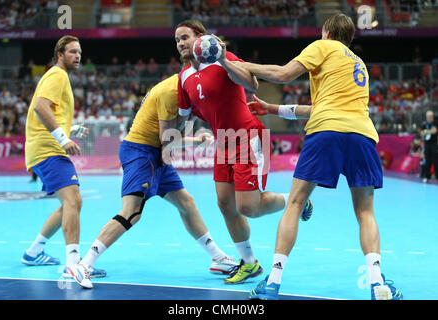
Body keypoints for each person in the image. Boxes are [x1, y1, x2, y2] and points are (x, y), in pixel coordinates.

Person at [238, 13, 403, 300]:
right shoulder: (358, 63)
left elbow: (282, 74)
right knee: (365, 212)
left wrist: (238, 64)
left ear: (326, 32)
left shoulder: (322, 47)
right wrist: (273, 109)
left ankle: (273, 282)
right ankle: (377, 283)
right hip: (362, 134)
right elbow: (319, 105)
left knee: (296, 202)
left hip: (326, 131)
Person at [174, 19, 313, 285]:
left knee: (248, 207)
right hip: (222, 141)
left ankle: (296, 200)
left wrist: (224, 60)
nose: (181, 43)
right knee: (225, 204)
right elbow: (181, 117)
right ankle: (249, 263)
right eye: (177, 40)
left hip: (247, 136)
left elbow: (253, 85)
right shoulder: (184, 78)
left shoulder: (223, 60)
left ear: (201, 38)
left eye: (185, 37)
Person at [69, 72, 238, 289]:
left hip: (155, 153)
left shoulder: (184, 88)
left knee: (186, 203)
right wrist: (196, 142)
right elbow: (166, 140)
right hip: (141, 153)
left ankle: (217, 258)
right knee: (132, 212)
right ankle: (84, 264)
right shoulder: (170, 92)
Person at [22, 35, 105, 280]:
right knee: (73, 200)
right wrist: (63, 138)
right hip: (48, 149)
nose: (77, 56)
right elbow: (40, 107)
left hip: (46, 147)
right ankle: (73, 264)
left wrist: (70, 130)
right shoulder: (57, 75)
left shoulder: (61, 77)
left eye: (79, 52)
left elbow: (49, 112)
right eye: (72, 52)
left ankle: (33, 251)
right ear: (60, 54)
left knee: (72, 203)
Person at [420, 110, 437, 183]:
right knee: (427, 160)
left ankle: (437, 176)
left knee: (435, 160)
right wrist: (427, 131)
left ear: (432, 116)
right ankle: (427, 176)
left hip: (434, 144)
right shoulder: (424, 124)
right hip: (427, 144)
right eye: (428, 116)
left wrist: (426, 131)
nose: (429, 118)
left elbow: (434, 131)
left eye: (430, 116)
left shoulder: (435, 122)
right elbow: (421, 133)